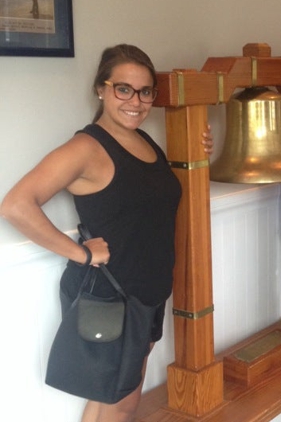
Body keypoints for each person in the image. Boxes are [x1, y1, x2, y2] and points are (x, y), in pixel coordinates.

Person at [0, 44, 213, 422]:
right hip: (114, 294)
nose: (136, 101)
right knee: (122, 400)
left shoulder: (145, 141)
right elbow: (16, 205)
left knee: (110, 396)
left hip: (146, 291)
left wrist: (201, 148)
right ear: (101, 89)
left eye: (146, 91)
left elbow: (150, 203)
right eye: (123, 89)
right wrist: (80, 252)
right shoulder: (86, 147)